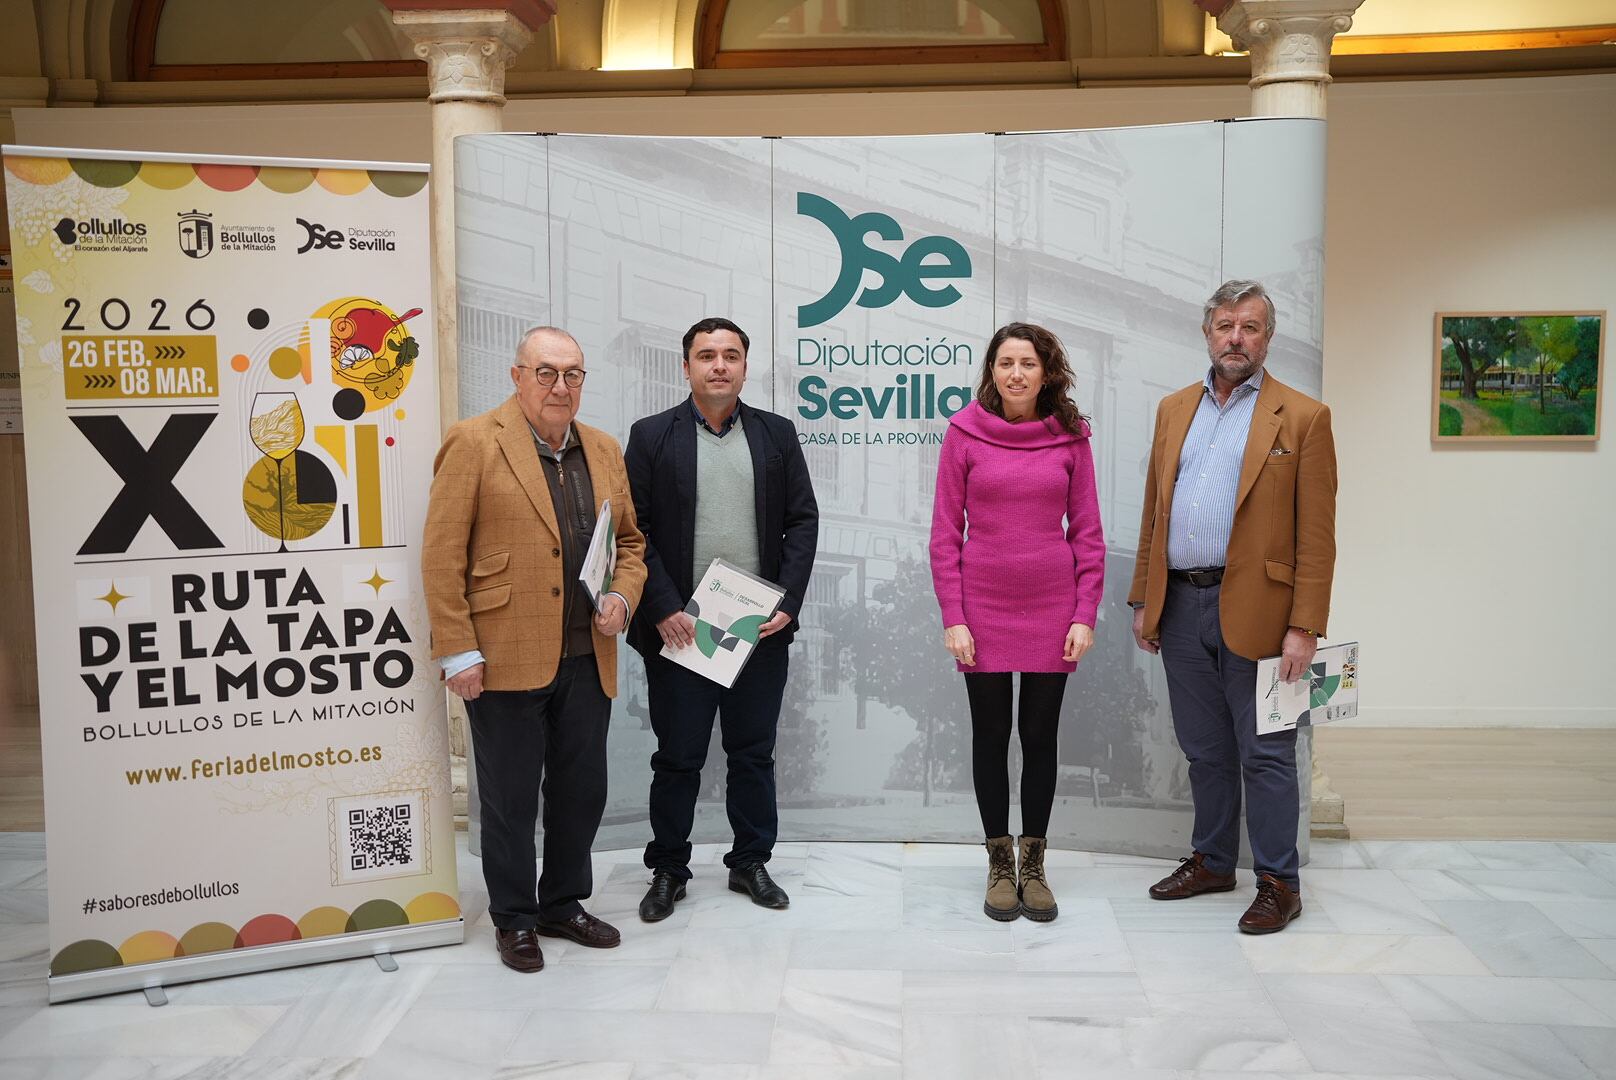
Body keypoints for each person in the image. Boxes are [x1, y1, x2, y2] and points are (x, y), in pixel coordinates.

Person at [422, 326, 646, 973]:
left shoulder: (603, 448)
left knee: (582, 792)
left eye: (572, 374)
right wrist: (458, 651)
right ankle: (515, 918)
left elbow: (630, 544)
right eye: (546, 372)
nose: (559, 386)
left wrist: (623, 596)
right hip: (501, 654)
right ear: (517, 376)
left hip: (588, 654)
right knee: (511, 800)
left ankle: (562, 905)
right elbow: (441, 554)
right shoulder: (473, 441)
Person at [1129, 279, 1337, 934]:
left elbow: (1317, 537)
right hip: (1180, 604)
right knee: (1204, 750)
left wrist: (1305, 625)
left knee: (1267, 753)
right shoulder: (1173, 409)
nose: (1236, 338)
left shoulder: (1303, 417)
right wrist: (1144, 598)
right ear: (1207, 333)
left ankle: (1279, 882)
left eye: (1250, 327)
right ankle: (1215, 861)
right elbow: (1155, 512)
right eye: (1225, 326)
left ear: (1268, 338)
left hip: (1264, 613)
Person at [626, 317, 819, 921]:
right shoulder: (651, 436)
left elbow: (803, 520)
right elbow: (635, 530)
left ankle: (750, 862)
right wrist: (662, 607)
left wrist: (786, 603)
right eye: (706, 355)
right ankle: (667, 870)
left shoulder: (777, 434)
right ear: (686, 366)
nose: (719, 365)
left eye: (730, 355)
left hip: (757, 630)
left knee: (753, 754)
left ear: (744, 366)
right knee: (677, 757)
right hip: (680, 629)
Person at [929, 322, 1106, 923]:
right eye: (1006, 363)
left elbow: (1088, 534)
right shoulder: (964, 433)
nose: (1016, 374)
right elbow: (944, 535)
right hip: (981, 607)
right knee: (989, 736)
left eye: (1028, 363)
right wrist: (954, 616)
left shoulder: (1071, 439)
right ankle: (999, 863)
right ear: (991, 371)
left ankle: (1034, 864)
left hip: (1053, 608)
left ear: (1046, 372)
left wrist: (1084, 613)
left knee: (1039, 737)